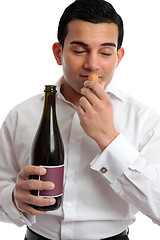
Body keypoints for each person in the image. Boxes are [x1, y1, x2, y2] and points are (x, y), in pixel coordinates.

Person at [0, 0, 160, 239]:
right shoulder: (21, 115)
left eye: (105, 52)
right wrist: (13, 197)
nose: (92, 64)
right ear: (58, 52)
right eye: (79, 50)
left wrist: (108, 138)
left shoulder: (144, 119)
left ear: (118, 57)